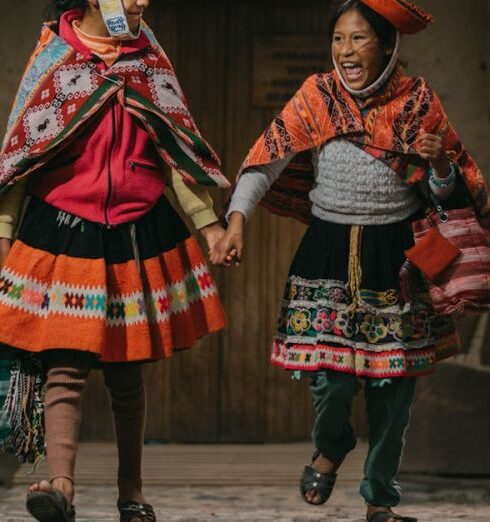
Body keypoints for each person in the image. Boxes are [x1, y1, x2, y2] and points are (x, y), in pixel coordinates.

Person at [212, 1, 489, 521]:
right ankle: (332, 444)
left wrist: (439, 163)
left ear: (386, 45)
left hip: (397, 258)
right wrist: (237, 219)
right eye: (338, 39)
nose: (345, 51)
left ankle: (380, 501)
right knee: (329, 378)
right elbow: (264, 161)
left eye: (358, 39)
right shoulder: (315, 95)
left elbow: (449, 193)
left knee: (395, 391)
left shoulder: (418, 100)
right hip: (327, 251)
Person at [0, 1, 230, 521]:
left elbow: (171, 151)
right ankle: (60, 485)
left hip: (135, 231)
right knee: (65, 363)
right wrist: (3, 233)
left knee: (126, 372)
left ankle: (132, 491)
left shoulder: (147, 59)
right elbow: (23, 152)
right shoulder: (54, 59)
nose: (140, 0)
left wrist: (208, 222)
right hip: (61, 230)